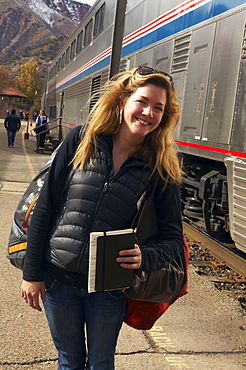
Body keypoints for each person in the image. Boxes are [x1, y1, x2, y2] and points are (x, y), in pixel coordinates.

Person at [21, 66, 184, 369]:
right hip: (59, 278)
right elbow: (46, 207)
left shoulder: (161, 169)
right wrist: (32, 273)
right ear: (123, 100)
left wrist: (144, 256)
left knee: (100, 363)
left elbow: (174, 242)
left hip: (109, 289)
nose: (148, 112)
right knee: (69, 361)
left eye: (158, 108)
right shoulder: (82, 140)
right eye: (142, 101)